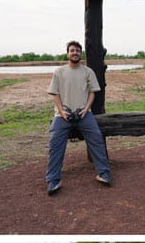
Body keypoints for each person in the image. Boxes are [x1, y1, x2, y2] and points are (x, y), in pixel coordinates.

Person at [45, 40, 111, 195]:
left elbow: (92, 92)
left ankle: (104, 174)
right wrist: (61, 112)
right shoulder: (59, 72)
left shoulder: (88, 72)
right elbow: (54, 93)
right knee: (55, 144)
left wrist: (86, 109)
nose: (75, 53)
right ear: (67, 53)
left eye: (77, 50)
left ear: (81, 53)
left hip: (84, 114)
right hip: (62, 115)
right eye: (72, 50)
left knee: (96, 139)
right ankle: (53, 181)